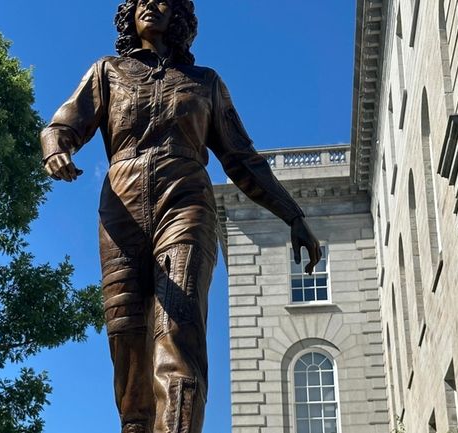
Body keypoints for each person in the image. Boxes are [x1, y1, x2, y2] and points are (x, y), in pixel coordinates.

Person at [40, 1, 321, 432]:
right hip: (121, 209)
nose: (152, 4)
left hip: (185, 199)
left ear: (179, 16)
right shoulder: (107, 72)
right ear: (129, 14)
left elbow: (243, 158)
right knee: (127, 344)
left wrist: (293, 214)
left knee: (177, 329)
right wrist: (57, 147)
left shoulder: (204, 83)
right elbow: (63, 123)